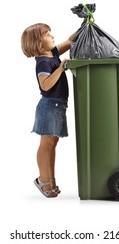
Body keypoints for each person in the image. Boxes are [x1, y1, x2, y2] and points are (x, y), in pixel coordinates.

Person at [21, 23, 76, 197]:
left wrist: (83, 26)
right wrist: (60, 68)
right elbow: (45, 85)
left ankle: (51, 180)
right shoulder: (43, 62)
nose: (52, 36)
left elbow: (68, 41)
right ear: (38, 43)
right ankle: (43, 181)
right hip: (50, 106)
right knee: (46, 145)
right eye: (47, 34)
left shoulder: (52, 53)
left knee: (52, 144)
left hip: (58, 106)